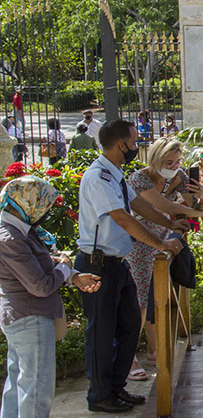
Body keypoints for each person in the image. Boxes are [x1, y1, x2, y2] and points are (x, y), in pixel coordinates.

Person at [73, 119, 185, 413]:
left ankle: (116, 388)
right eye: (135, 142)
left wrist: (170, 223)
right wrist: (159, 243)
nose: (138, 146)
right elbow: (123, 217)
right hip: (98, 266)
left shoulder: (116, 174)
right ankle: (100, 395)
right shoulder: (98, 176)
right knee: (101, 333)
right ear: (122, 144)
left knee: (129, 326)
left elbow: (141, 206)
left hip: (117, 264)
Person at [0, 176, 102, 418]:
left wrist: (72, 275)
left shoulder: (19, 228)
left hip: (23, 316)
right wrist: (65, 268)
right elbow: (39, 285)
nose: (45, 212)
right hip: (29, 317)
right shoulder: (11, 238)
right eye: (43, 204)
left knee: (19, 384)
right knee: (36, 390)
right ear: (27, 203)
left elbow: (40, 264)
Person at [125, 137, 203, 381]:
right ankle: (129, 358)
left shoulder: (179, 178)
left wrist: (202, 199)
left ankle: (155, 351)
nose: (174, 166)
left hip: (163, 242)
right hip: (138, 242)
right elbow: (162, 205)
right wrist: (196, 210)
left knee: (158, 299)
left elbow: (186, 207)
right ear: (155, 159)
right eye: (168, 161)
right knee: (139, 302)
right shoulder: (139, 178)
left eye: (177, 161)